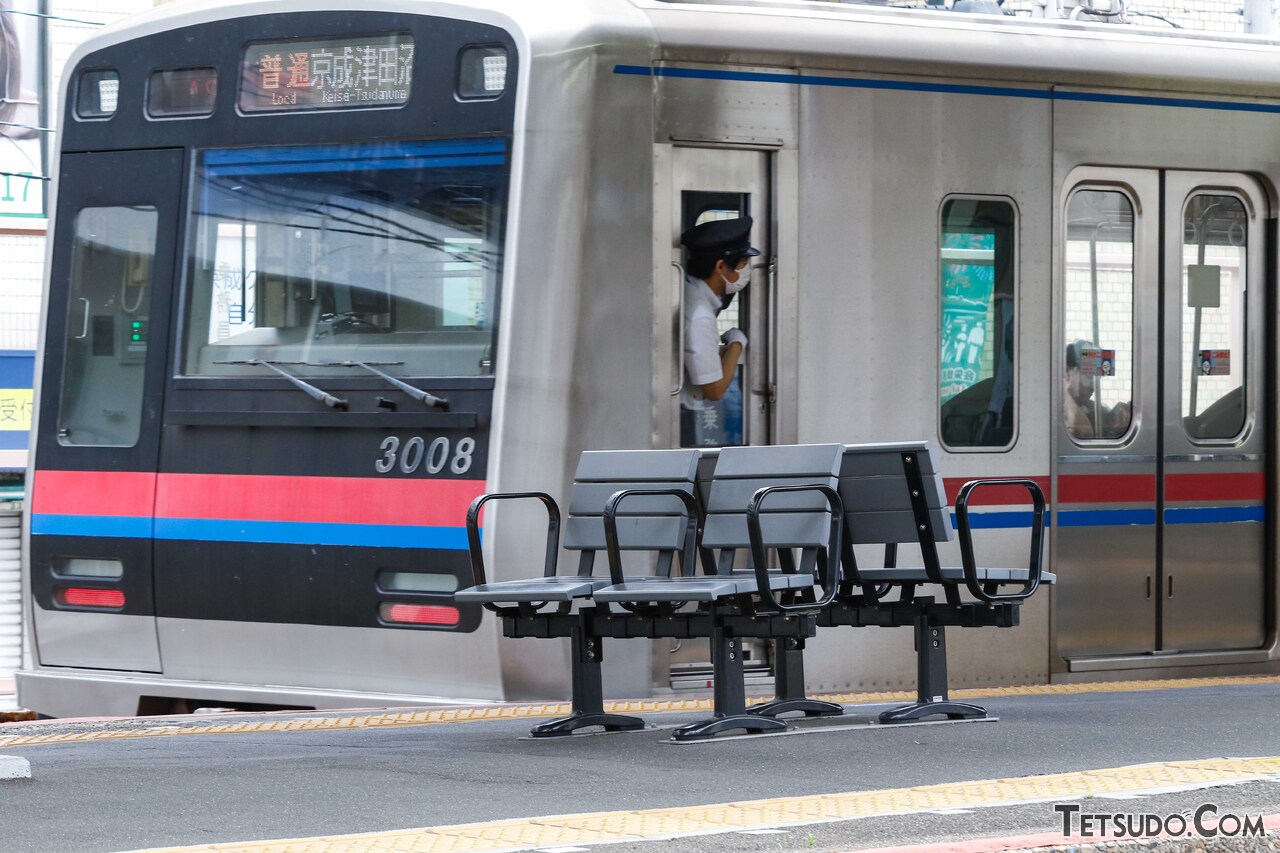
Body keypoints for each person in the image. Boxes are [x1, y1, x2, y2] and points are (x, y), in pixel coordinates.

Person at [678, 216, 759, 446]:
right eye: (742, 262)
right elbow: (714, 389)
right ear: (720, 266)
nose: (745, 270)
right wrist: (736, 343)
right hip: (684, 414)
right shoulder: (700, 315)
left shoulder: (690, 291)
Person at [1064, 340, 1129, 439]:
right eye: (1089, 377)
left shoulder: (1092, 408)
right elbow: (1084, 432)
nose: (1093, 386)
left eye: (1097, 379)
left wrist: (1109, 419)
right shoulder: (1058, 410)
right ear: (1068, 373)